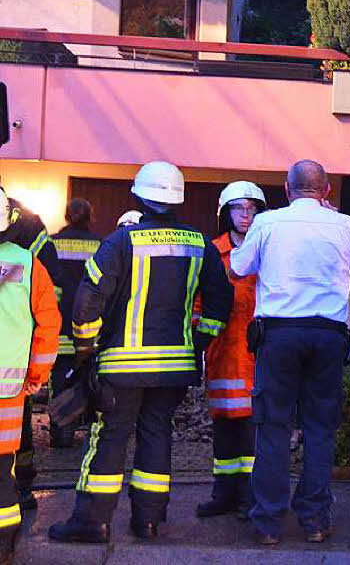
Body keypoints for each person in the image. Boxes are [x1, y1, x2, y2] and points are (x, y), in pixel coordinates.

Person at [49, 161, 233, 544]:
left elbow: (87, 303)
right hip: (175, 369)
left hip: (121, 368)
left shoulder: (120, 242)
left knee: (109, 438)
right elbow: (219, 300)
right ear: (178, 198)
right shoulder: (199, 243)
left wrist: (85, 351)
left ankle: (92, 522)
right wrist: (199, 343)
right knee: (157, 436)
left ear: (138, 194)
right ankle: (148, 522)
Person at [230, 160, 350, 545]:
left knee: (273, 427)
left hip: (278, 335)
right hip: (328, 336)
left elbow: (240, 267)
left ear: (287, 189)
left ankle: (268, 523)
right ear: (326, 191)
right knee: (320, 428)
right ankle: (314, 520)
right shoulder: (344, 224)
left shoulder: (267, 223)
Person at [195, 182, 266, 519]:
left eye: (252, 208)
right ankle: (223, 495)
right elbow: (197, 301)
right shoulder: (211, 252)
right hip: (223, 352)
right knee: (223, 428)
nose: (246, 215)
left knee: (252, 431)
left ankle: (250, 498)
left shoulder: (267, 249)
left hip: (255, 353)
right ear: (226, 213)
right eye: (239, 208)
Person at [0, 186, 60, 565]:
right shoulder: (27, 263)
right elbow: (48, 324)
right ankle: (5, 543)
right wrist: (36, 374)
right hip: (8, 389)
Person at [50, 198, 101, 447]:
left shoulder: (52, 244)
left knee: (60, 377)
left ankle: (61, 429)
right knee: (91, 377)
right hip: (91, 329)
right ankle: (93, 426)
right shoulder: (102, 246)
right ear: (90, 216)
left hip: (58, 327)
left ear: (67, 215)